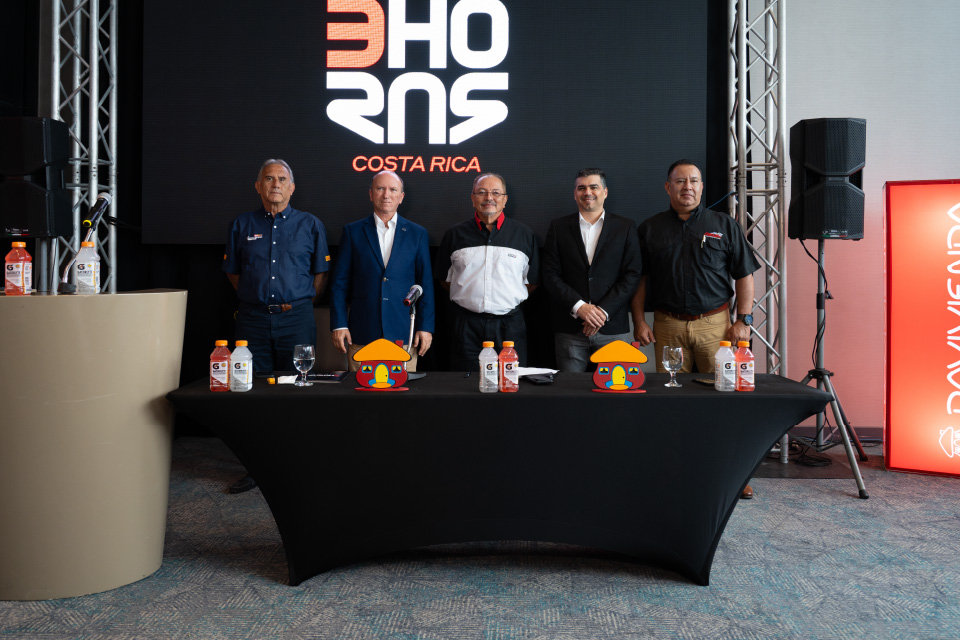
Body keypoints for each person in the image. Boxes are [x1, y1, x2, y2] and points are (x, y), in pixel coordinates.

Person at [630, 159, 760, 498]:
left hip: (716, 328)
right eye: (680, 181)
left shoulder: (724, 225)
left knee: (723, 401)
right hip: (667, 326)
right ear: (667, 187)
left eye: (694, 181)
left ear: (702, 187)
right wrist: (639, 321)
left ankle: (732, 475)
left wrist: (744, 319)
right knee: (671, 402)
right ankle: (674, 471)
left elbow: (744, 274)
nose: (687, 186)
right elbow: (639, 280)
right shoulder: (650, 229)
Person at [223, 159, 329, 493]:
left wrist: (296, 302)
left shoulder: (310, 224)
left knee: (297, 389)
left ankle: (297, 464)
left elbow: (320, 275)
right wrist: (255, 297)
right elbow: (233, 272)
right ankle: (257, 468)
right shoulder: (242, 224)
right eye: (269, 179)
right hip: (252, 320)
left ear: (292, 187)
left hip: (296, 319)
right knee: (252, 392)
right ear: (258, 186)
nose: (276, 184)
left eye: (282, 179)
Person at [329, 170, 435, 370]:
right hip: (362, 331)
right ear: (371, 194)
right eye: (380, 188)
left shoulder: (417, 234)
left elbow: (425, 284)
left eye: (393, 190)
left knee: (402, 388)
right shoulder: (352, 232)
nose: (386, 195)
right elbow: (339, 284)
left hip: (404, 333)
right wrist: (339, 324)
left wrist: (425, 327)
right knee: (360, 388)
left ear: (401, 197)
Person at [434, 173, 540, 370]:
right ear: (473, 198)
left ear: (505, 200)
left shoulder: (524, 235)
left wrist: (503, 299)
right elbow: (444, 279)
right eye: (482, 192)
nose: (489, 197)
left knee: (510, 382)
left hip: (510, 326)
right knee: (464, 382)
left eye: (496, 193)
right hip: (466, 326)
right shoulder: (454, 234)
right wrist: (471, 297)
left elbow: (531, 281)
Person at [541, 168, 642, 371]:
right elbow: (550, 275)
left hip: (612, 328)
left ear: (605, 192)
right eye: (581, 188)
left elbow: (632, 274)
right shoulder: (558, 227)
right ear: (575, 193)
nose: (587, 192)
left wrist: (602, 312)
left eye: (593, 187)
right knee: (570, 388)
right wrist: (580, 308)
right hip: (570, 330)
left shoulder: (625, 227)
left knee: (616, 387)